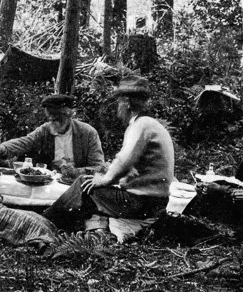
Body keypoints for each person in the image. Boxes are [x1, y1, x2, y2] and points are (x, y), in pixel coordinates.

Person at [43, 76, 174, 241]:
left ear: (127, 102)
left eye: (119, 102)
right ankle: (72, 228)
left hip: (142, 202)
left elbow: (124, 161)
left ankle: (46, 223)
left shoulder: (140, 125)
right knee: (89, 189)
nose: (118, 108)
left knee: (83, 183)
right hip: (156, 201)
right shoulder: (152, 124)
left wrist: (104, 180)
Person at [0, 93, 105, 175]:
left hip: (76, 183)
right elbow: (24, 142)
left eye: (58, 118)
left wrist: (76, 171)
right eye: (51, 118)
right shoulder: (45, 130)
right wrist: (1, 148)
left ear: (69, 115)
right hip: (49, 181)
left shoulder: (87, 133)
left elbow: (99, 167)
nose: (54, 123)